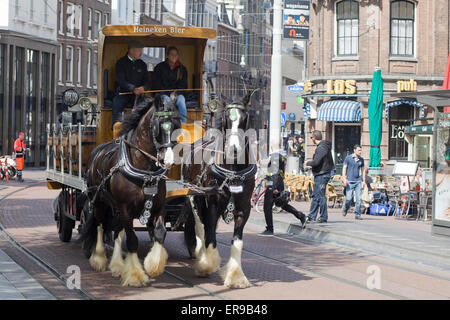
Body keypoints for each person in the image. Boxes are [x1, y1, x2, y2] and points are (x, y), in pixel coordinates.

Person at [259, 152, 306, 236]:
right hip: (278, 186)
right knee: (283, 205)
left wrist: (273, 188)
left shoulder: (274, 165)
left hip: (272, 188)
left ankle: (270, 229)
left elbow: (275, 176)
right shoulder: (281, 165)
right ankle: (301, 216)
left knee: (267, 208)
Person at [112, 40, 150, 127]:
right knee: (116, 104)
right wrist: (133, 88)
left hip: (139, 96)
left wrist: (143, 88)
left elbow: (147, 81)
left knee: (145, 108)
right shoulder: (121, 63)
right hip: (123, 94)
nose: (141, 53)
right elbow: (120, 80)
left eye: (141, 50)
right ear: (131, 50)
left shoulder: (142, 64)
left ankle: (141, 129)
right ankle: (115, 130)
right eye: (139, 50)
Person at [305, 130, 334, 223]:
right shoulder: (324, 146)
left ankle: (323, 217)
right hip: (322, 173)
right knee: (316, 195)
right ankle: (311, 216)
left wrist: (308, 163)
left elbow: (316, 162)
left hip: (322, 174)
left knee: (320, 196)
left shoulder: (321, 148)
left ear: (314, 138)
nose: (311, 139)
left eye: (311, 137)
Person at [153, 46, 188, 123]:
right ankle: (168, 125)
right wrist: (167, 93)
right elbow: (157, 84)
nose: (174, 56)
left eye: (176, 55)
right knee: (167, 101)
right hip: (163, 94)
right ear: (167, 56)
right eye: (172, 54)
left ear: (178, 56)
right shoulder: (159, 67)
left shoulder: (182, 69)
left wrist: (175, 93)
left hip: (177, 94)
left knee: (182, 102)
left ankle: (183, 125)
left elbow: (184, 85)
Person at [342, 145, 366, 220]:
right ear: (354, 150)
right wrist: (344, 178)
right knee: (348, 198)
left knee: (359, 199)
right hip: (349, 181)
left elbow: (363, 170)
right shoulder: (348, 158)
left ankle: (357, 214)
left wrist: (364, 181)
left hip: (358, 181)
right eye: (359, 150)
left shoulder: (361, 159)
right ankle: (345, 208)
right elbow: (344, 168)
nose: (360, 152)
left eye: (361, 150)